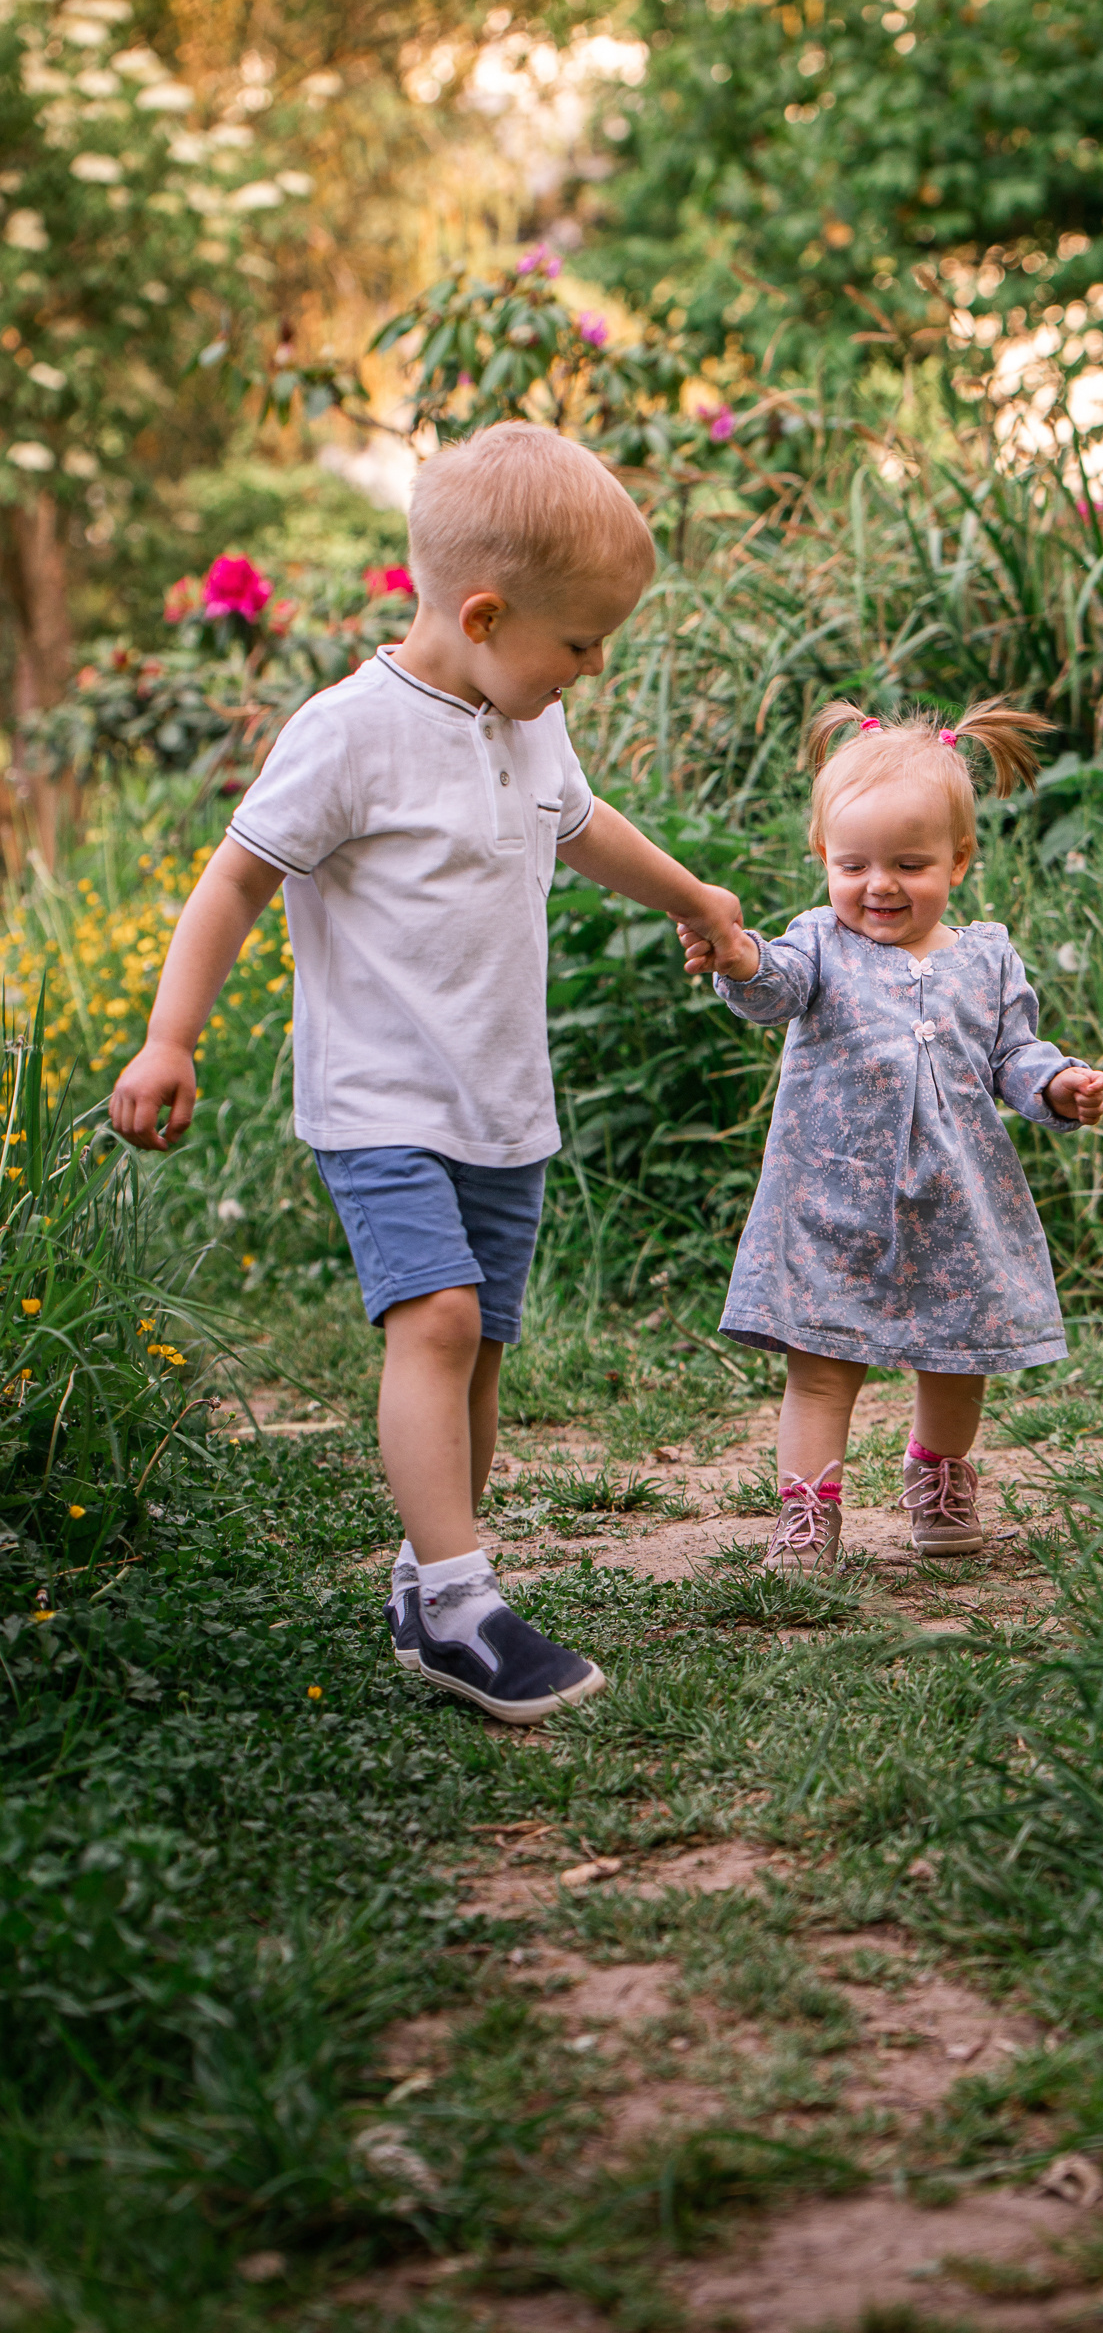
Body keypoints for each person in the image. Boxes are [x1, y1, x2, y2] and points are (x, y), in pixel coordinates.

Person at [110, 422, 751, 1721]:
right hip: (381, 1101)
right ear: (482, 610)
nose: (591, 668)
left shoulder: (525, 726)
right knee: (438, 1322)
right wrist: (169, 1036)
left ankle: (426, 1571)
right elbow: (237, 876)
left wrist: (693, 896)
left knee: (483, 1348)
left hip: (501, 1103)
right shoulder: (351, 734)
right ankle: (462, 1606)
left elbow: (585, 829)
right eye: (577, 645)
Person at [676, 698, 1103, 1577]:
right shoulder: (817, 945)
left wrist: (1055, 1085)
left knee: (955, 1355)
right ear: (822, 861)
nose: (879, 885)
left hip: (956, 1198)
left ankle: (938, 1477)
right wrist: (735, 956)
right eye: (853, 864)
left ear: (958, 859)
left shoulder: (984, 958)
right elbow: (773, 988)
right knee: (822, 1363)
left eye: (910, 864)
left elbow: (1012, 1053)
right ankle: (807, 1514)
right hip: (829, 1197)